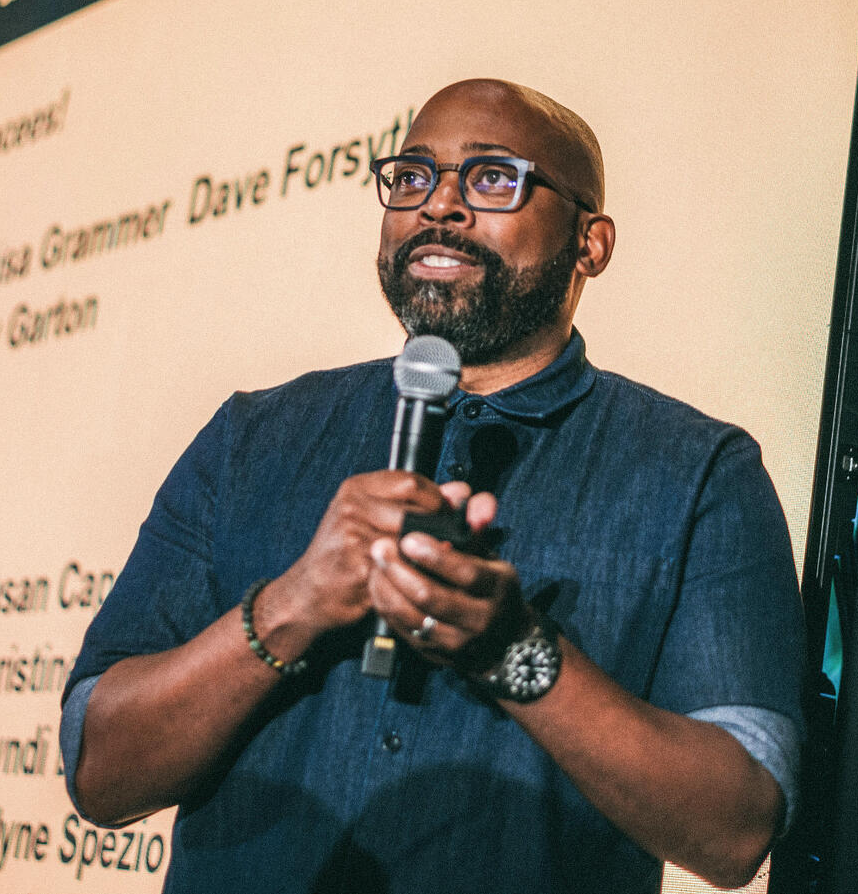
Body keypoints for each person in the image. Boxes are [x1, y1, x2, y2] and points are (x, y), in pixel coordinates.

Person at [61, 79, 806, 892]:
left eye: (493, 178)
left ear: (591, 243)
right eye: (412, 177)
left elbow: (739, 827)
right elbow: (98, 768)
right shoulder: (256, 436)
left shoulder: (694, 470)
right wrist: (292, 605)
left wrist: (514, 650)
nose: (438, 205)